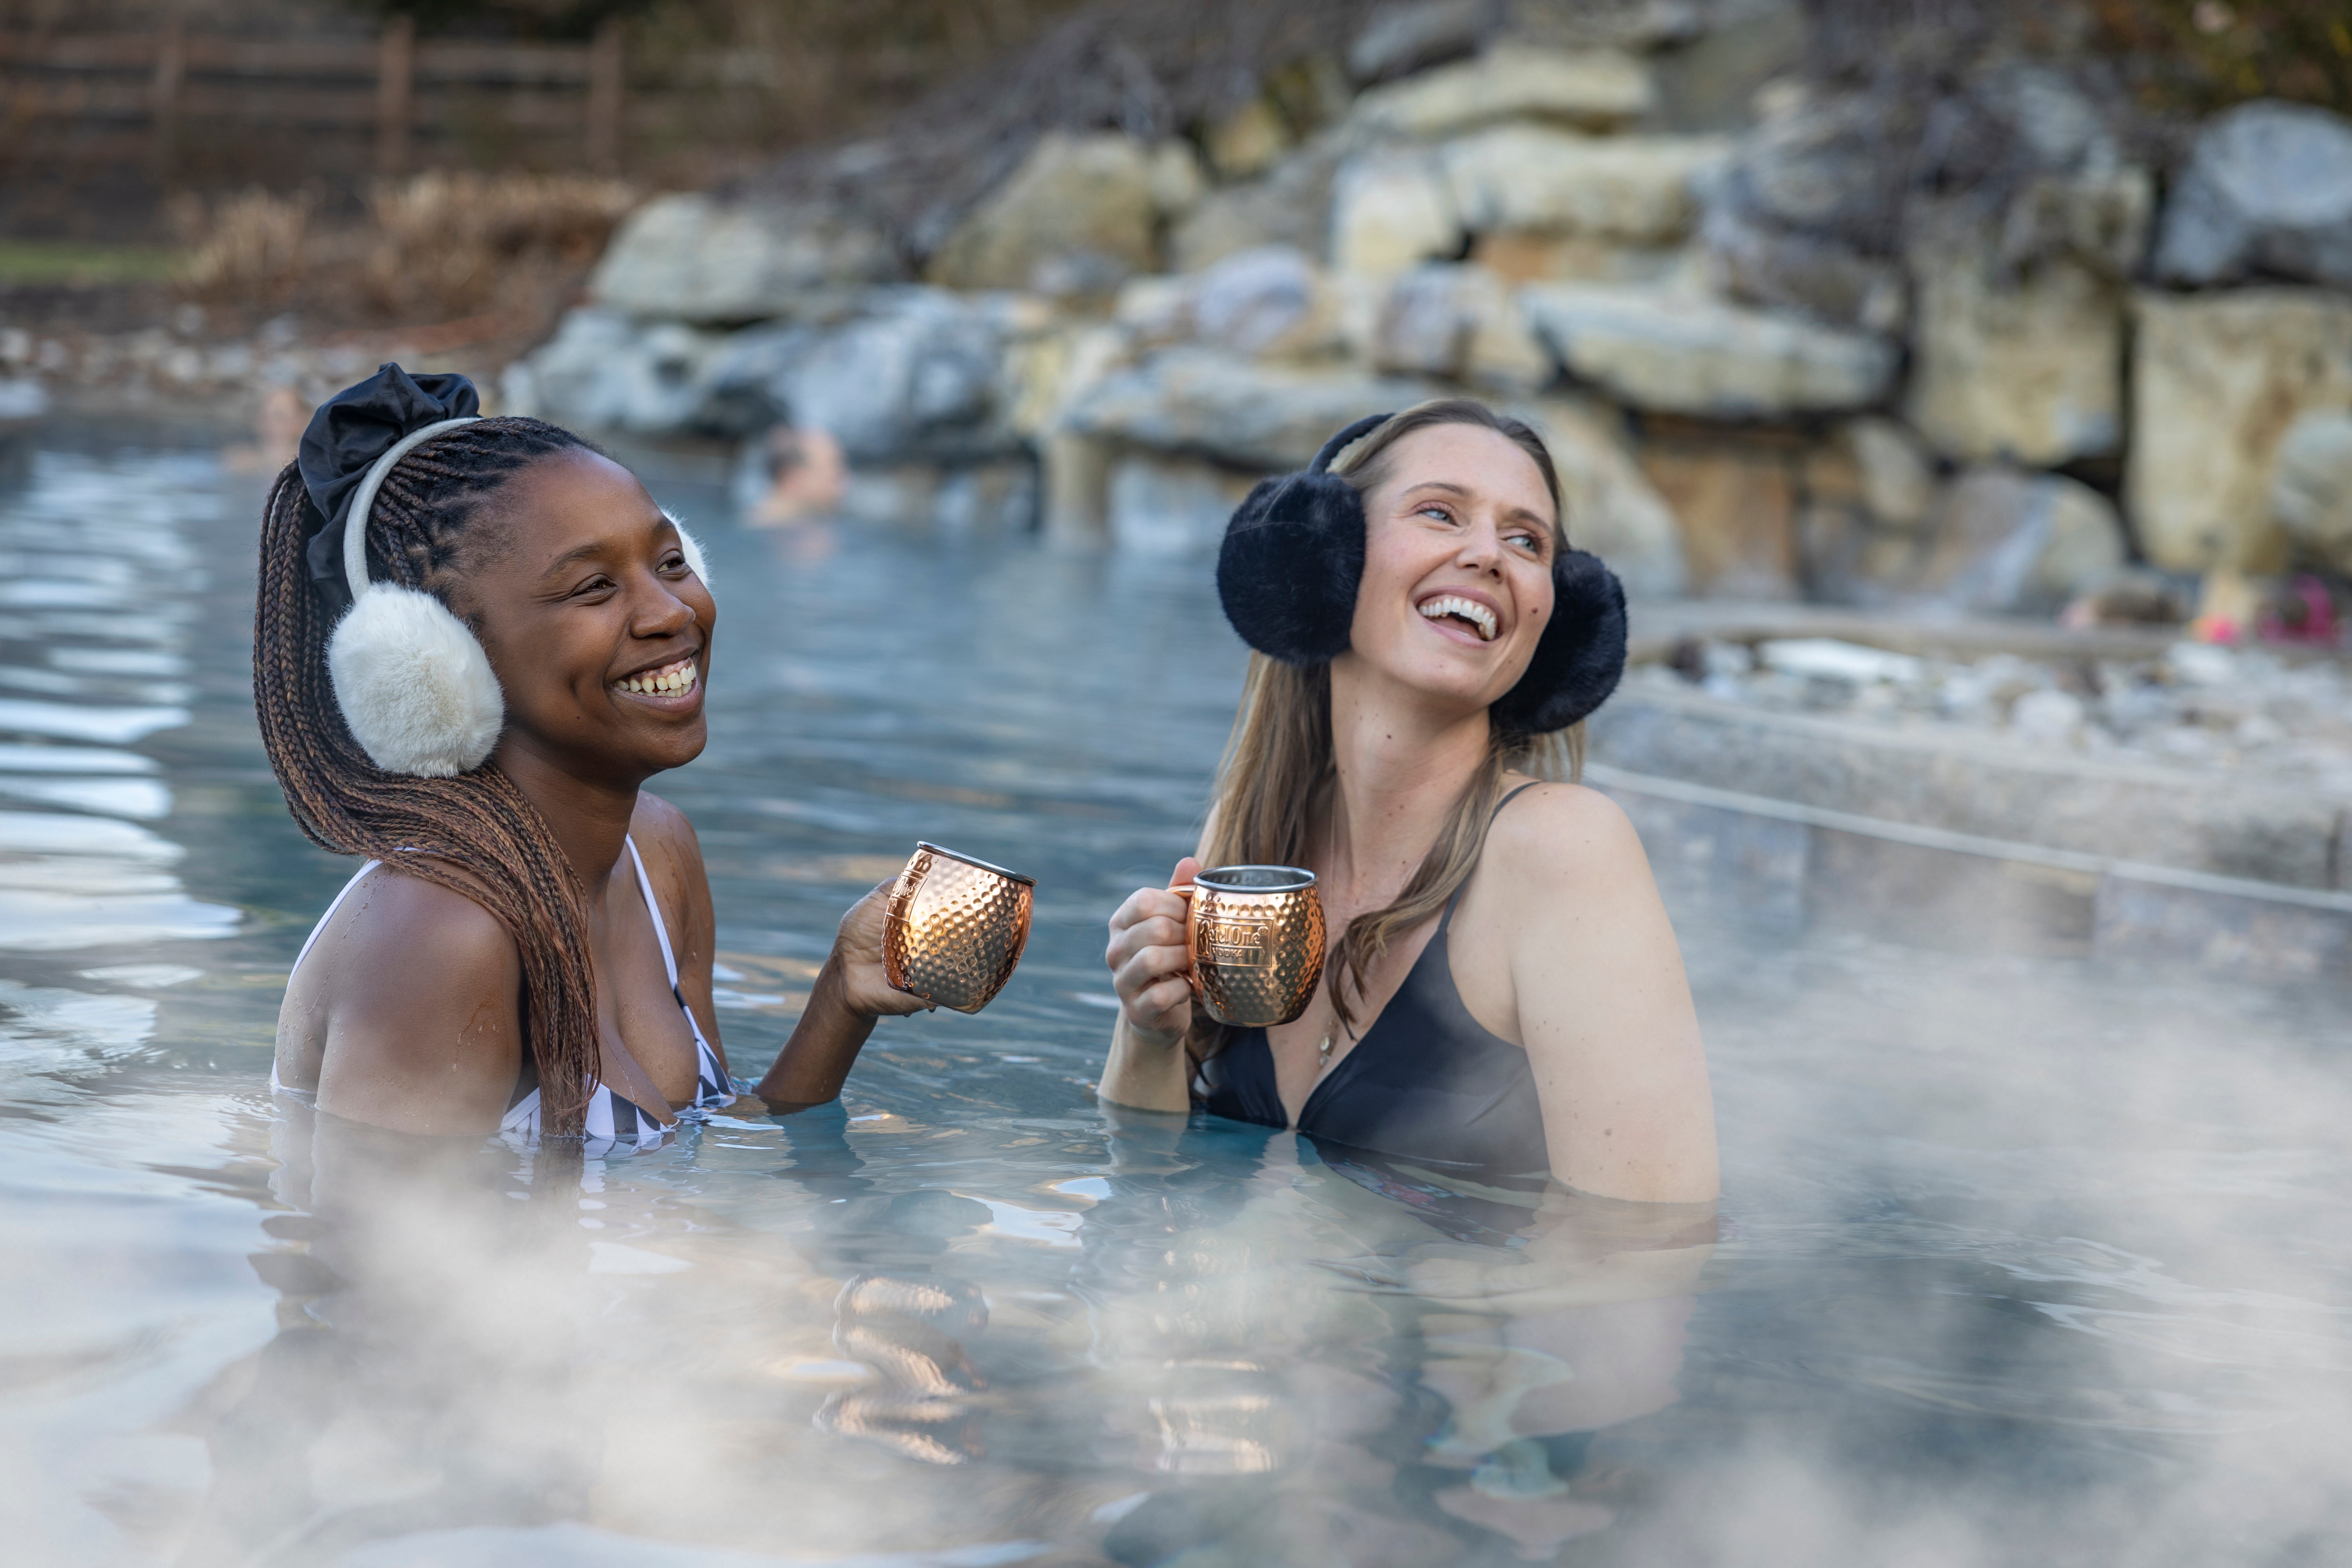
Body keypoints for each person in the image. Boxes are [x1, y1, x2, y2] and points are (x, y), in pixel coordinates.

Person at [260, 364, 910, 1149]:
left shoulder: (658, 851)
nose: (671, 612)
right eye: (595, 587)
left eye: (670, 562)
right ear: (439, 663)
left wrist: (843, 997)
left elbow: (697, 1140)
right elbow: (376, 1233)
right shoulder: (439, 932)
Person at [1098, 399, 1719, 1202]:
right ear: (1324, 559)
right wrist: (1150, 1032)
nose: (1488, 554)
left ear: (1556, 623)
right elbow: (1142, 1172)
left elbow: (1646, 1243)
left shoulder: (1565, 852)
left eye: (1526, 540)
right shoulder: (1252, 839)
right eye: (1440, 513)